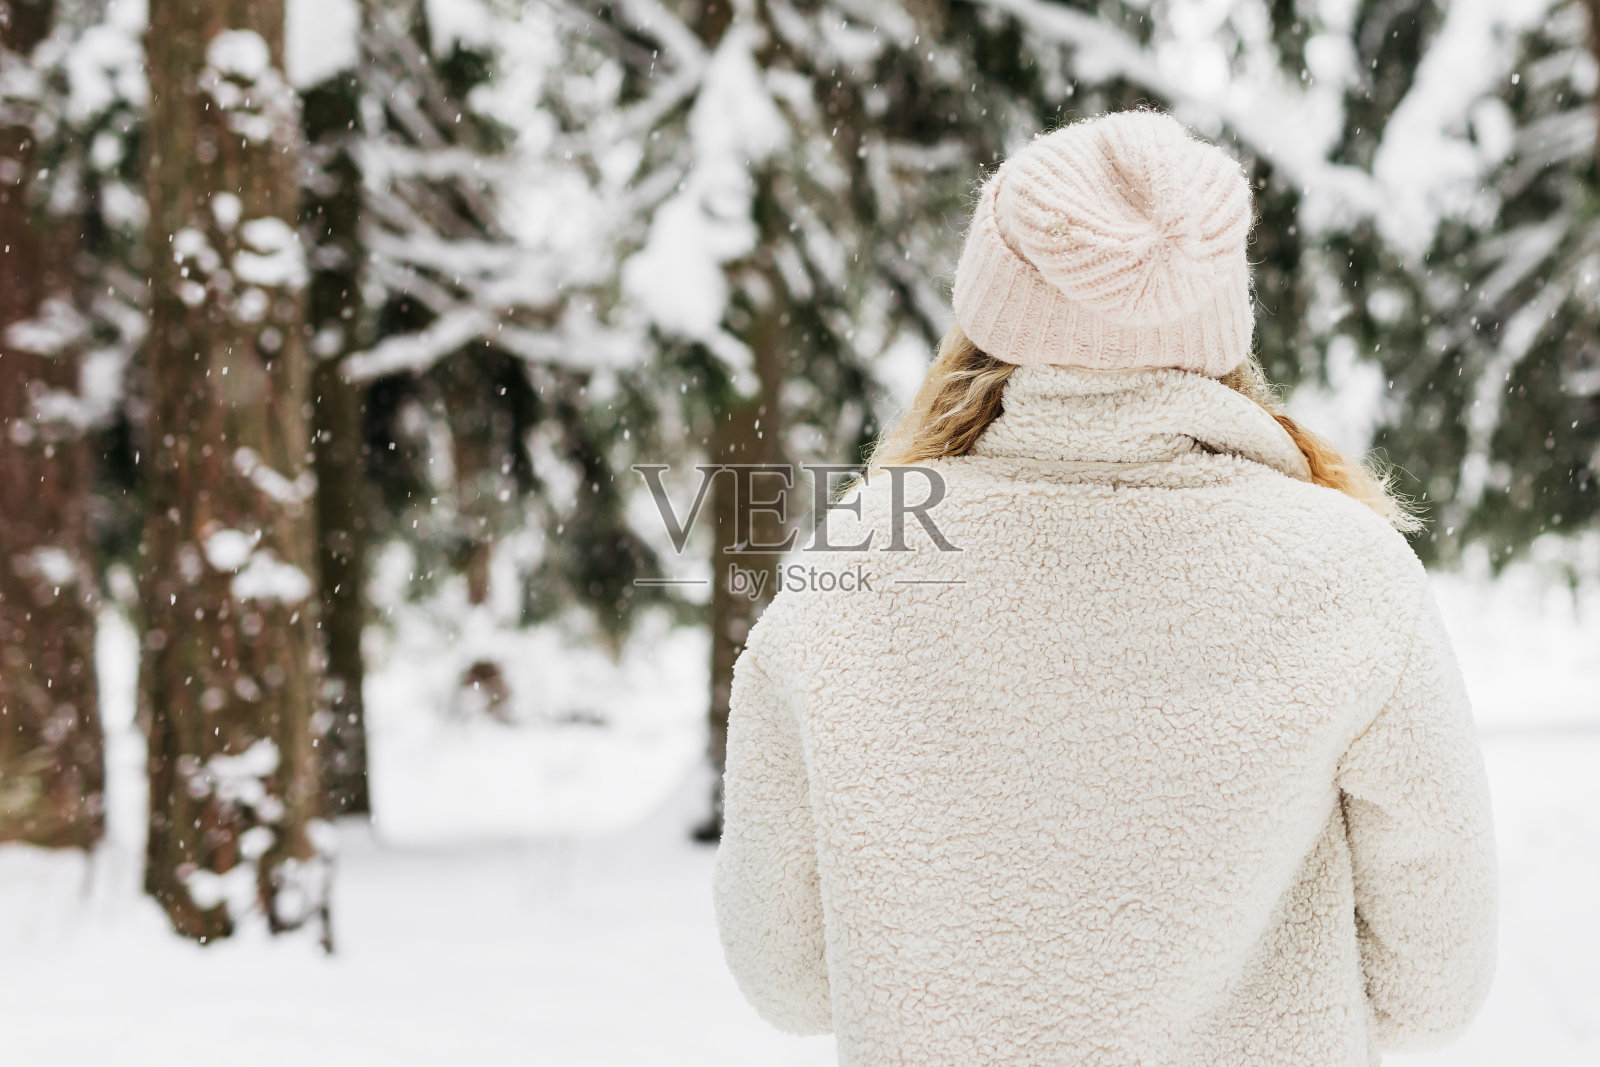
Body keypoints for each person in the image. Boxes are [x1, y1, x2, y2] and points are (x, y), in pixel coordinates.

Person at [712, 109, 1496, 1066]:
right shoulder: (1348, 569)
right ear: (1222, 320)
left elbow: (786, 974)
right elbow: (1434, 981)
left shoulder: (855, 569)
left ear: (988, 315)